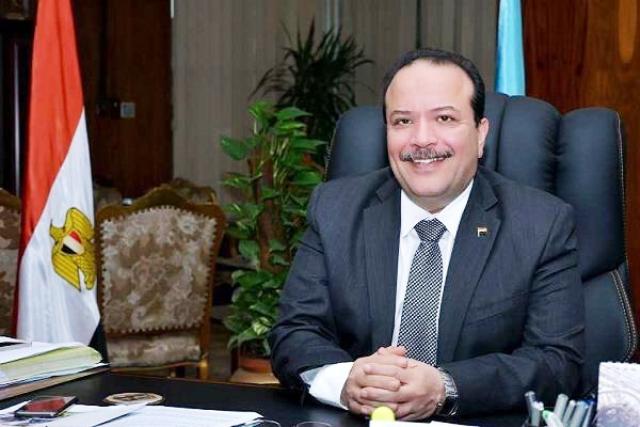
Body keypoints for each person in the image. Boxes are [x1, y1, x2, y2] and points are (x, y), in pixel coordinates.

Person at [269, 48, 584, 420]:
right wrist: (347, 380)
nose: (421, 139)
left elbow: (557, 362)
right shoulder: (336, 209)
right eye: (402, 121)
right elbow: (295, 331)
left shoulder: (541, 224)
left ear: (480, 134)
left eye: (444, 118)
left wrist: (444, 387)